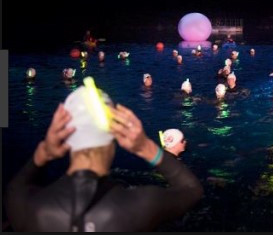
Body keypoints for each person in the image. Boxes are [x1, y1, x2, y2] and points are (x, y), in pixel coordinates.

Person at [5, 77, 203, 232]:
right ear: (113, 136)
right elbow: (192, 190)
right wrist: (146, 147)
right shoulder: (140, 206)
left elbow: (15, 188)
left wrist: (43, 153)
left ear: (66, 134)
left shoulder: (29, 208)